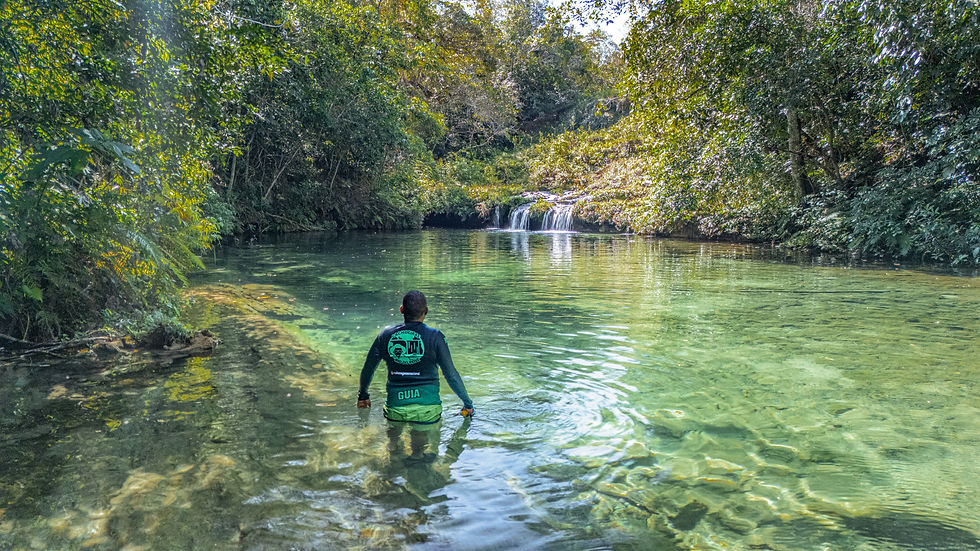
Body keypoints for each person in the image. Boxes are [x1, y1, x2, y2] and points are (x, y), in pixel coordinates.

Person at [357, 290, 474, 423]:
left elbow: (369, 368)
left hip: (395, 409)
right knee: (421, 443)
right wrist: (467, 404)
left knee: (394, 443)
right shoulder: (436, 337)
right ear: (426, 311)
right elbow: (451, 374)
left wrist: (363, 396)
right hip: (427, 411)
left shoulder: (385, 335)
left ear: (401, 310)